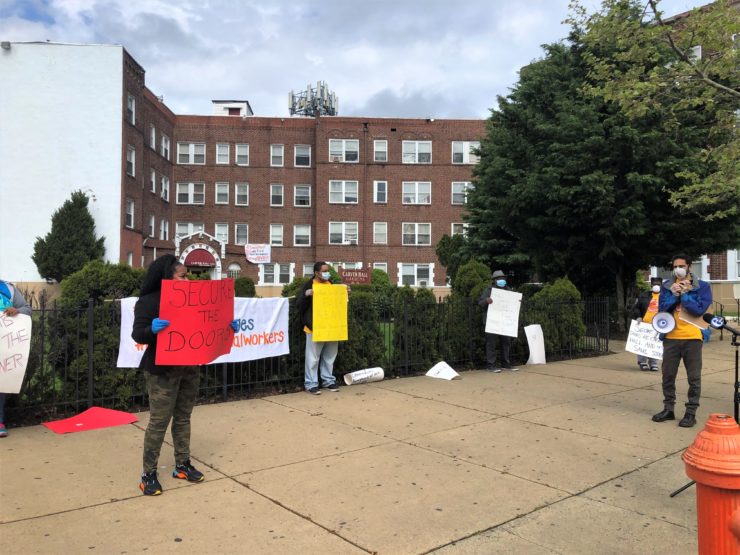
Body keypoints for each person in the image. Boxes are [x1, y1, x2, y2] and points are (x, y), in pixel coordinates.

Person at [132, 255, 205, 495]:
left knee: (183, 417)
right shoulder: (149, 301)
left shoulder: (194, 300)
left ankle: (182, 465)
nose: (187, 280)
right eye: (183, 276)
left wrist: (225, 327)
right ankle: (148, 474)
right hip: (162, 370)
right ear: (167, 277)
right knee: (159, 421)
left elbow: (204, 326)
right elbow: (138, 334)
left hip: (189, 366)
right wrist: (151, 330)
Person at [651, 255, 712, 428]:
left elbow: (699, 309)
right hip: (671, 337)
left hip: (693, 338)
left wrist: (685, 294)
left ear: (689, 267)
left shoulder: (703, 287)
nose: (678, 269)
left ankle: (690, 412)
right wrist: (673, 293)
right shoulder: (666, 286)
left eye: (682, 265)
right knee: (668, 375)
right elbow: (662, 308)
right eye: (675, 266)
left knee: (694, 378)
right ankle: (668, 409)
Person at [295, 262, 346, 394]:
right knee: (313, 357)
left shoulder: (330, 284)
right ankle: (311, 383)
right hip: (314, 327)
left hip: (331, 326)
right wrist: (306, 295)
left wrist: (346, 294)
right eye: (324, 271)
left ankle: (328, 380)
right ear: (316, 273)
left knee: (330, 356)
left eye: (328, 270)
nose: (327, 273)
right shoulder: (309, 285)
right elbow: (298, 303)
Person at [0, 279, 32, 438]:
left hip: (5, 343)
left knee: (1, 382)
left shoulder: (8, 289)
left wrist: (17, 311)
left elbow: (27, 309)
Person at [478, 270, 517, 372]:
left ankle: (506, 363)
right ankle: (490, 365)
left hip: (504, 321)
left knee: (506, 342)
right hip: (492, 322)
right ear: (495, 280)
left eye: (503, 278)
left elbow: (512, 304)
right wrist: (486, 301)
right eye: (500, 279)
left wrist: (517, 301)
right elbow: (480, 303)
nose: (502, 280)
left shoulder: (508, 290)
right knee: (491, 343)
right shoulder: (489, 290)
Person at [630, 276, 663, 371]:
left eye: (658, 284)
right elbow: (636, 307)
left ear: (661, 285)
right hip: (644, 323)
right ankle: (642, 361)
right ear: (651, 285)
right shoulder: (643, 295)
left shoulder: (664, 297)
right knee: (643, 343)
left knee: (655, 344)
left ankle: (653, 363)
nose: (656, 286)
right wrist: (638, 316)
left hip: (658, 325)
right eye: (654, 284)